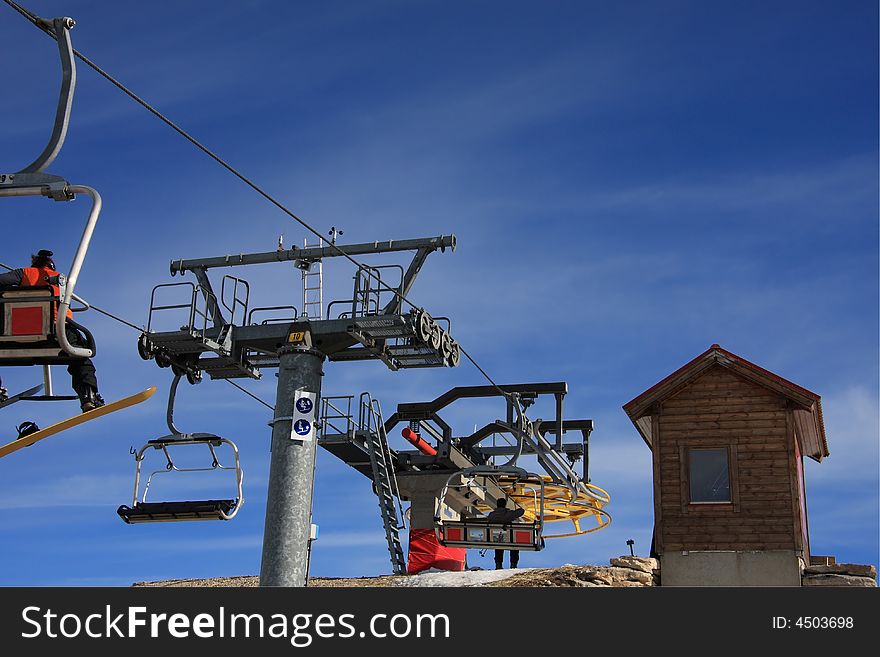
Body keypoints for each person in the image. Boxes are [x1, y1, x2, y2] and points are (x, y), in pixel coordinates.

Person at [0, 249, 104, 412]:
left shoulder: (24, 274)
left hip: (14, 337)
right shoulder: (62, 281)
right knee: (81, 357)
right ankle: (88, 398)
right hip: (58, 333)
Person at [486, 497, 525, 570]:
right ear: (504, 505)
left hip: (496, 538)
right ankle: (513, 564)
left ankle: (498, 564)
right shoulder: (508, 514)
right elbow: (521, 512)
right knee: (514, 546)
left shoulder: (492, 515)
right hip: (508, 538)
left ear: (497, 505)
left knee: (498, 544)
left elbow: (488, 520)